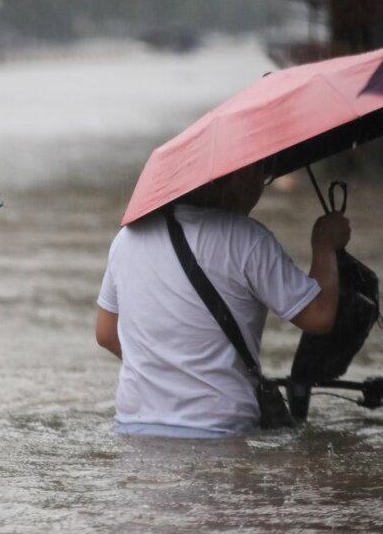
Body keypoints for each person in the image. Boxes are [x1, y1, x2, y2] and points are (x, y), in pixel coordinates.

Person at [95, 164, 350, 437]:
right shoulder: (247, 239)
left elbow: (106, 333)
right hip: (219, 431)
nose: (259, 189)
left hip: (133, 428)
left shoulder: (127, 238)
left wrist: (168, 369)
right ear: (236, 178)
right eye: (260, 176)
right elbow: (319, 315)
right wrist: (324, 246)